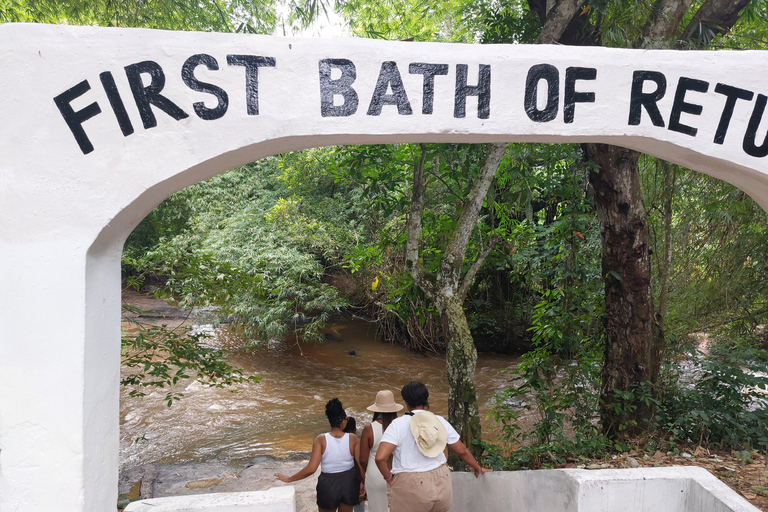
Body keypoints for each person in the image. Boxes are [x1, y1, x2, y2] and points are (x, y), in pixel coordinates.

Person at [374, 381, 491, 512]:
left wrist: (388, 477)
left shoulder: (398, 424)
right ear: (426, 399)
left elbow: (380, 458)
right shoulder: (439, 421)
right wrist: (478, 468)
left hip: (411, 485)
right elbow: (462, 451)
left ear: (406, 401)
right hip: (441, 483)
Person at [276, 398, 366, 512]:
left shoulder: (321, 440)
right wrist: (363, 482)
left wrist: (289, 479)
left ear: (329, 420)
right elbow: (360, 463)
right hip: (349, 483)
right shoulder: (353, 439)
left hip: (328, 485)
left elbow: (311, 469)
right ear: (343, 422)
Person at [360, 390, 404, 512]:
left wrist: (362, 480)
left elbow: (363, 460)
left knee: (377, 509)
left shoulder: (369, 429)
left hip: (375, 475)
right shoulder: (399, 426)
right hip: (397, 473)